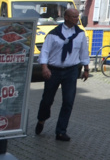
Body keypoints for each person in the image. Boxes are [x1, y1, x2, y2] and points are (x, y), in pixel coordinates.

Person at [35, 8, 89, 142]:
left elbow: (84, 52)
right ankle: (41, 119)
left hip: (71, 71)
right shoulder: (53, 34)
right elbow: (45, 52)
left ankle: (61, 131)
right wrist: (44, 67)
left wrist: (86, 68)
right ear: (66, 17)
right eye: (74, 17)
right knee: (47, 100)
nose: (77, 19)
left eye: (77, 16)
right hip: (54, 70)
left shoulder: (80, 34)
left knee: (68, 101)